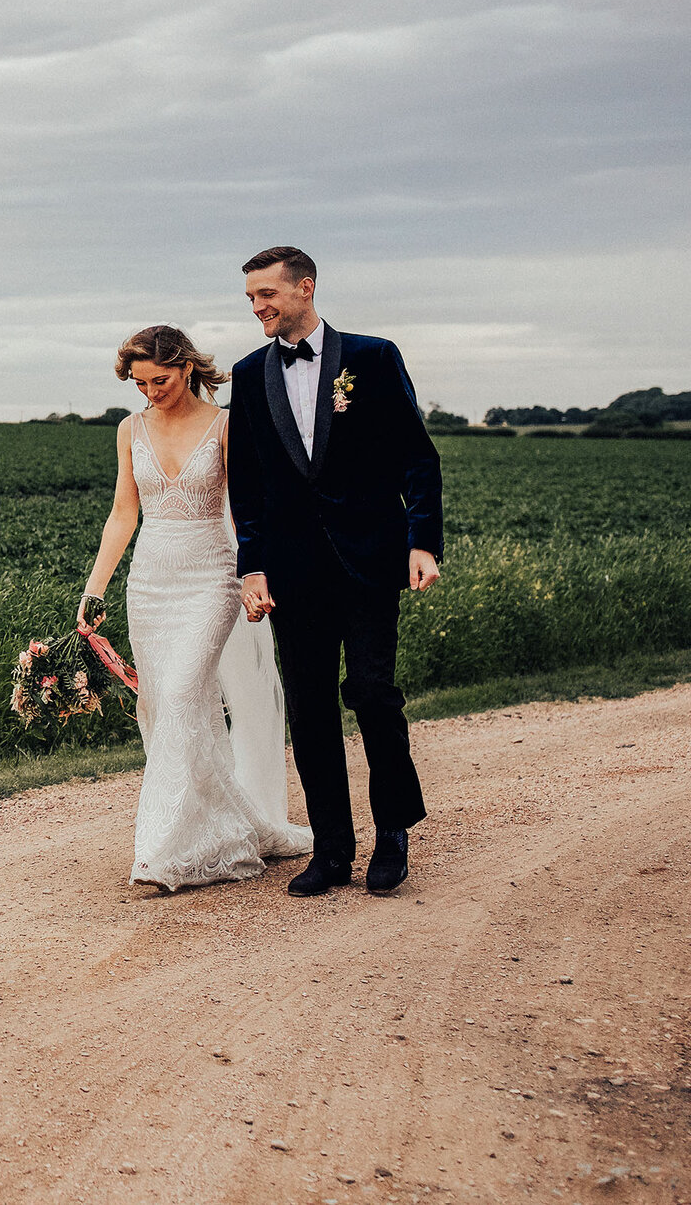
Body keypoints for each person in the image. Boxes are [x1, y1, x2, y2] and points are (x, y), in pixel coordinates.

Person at [228, 246, 442, 897]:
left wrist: (422, 541)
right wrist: (252, 569)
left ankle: (394, 831)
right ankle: (331, 850)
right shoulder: (247, 375)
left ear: (305, 288)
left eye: (267, 294)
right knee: (311, 709)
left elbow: (417, 458)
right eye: (251, 299)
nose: (258, 307)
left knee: (374, 694)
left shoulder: (373, 359)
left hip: (370, 560)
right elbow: (249, 485)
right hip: (293, 574)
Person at [80, 324, 312, 890]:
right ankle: (229, 825)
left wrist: (255, 576)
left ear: (186, 368)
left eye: (159, 379)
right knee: (167, 708)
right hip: (151, 584)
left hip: (212, 577)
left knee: (184, 693)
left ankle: (163, 849)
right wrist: (94, 589)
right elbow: (122, 515)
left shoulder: (227, 425)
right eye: (139, 383)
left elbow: (244, 510)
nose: (150, 392)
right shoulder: (129, 429)